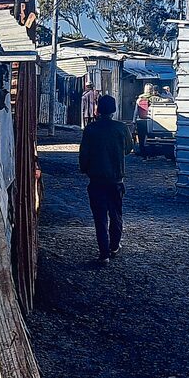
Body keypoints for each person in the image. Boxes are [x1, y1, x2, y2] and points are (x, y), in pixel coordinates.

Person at [78, 93, 133, 264]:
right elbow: (129, 149)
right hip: (116, 180)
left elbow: (84, 154)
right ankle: (114, 246)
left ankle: (104, 254)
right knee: (116, 215)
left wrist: (85, 168)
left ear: (98, 109)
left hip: (96, 180)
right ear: (114, 110)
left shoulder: (91, 129)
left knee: (100, 218)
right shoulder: (121, 128)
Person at [133, 82, 157, 156]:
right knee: (152, 137)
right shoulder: (155, 98)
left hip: (141, 121)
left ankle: (142, 152)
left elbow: (136, 111)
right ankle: (152, 153)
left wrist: (134, 121)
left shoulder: (140, 99)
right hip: (152, 121)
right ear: (152, 90)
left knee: (141, 138)